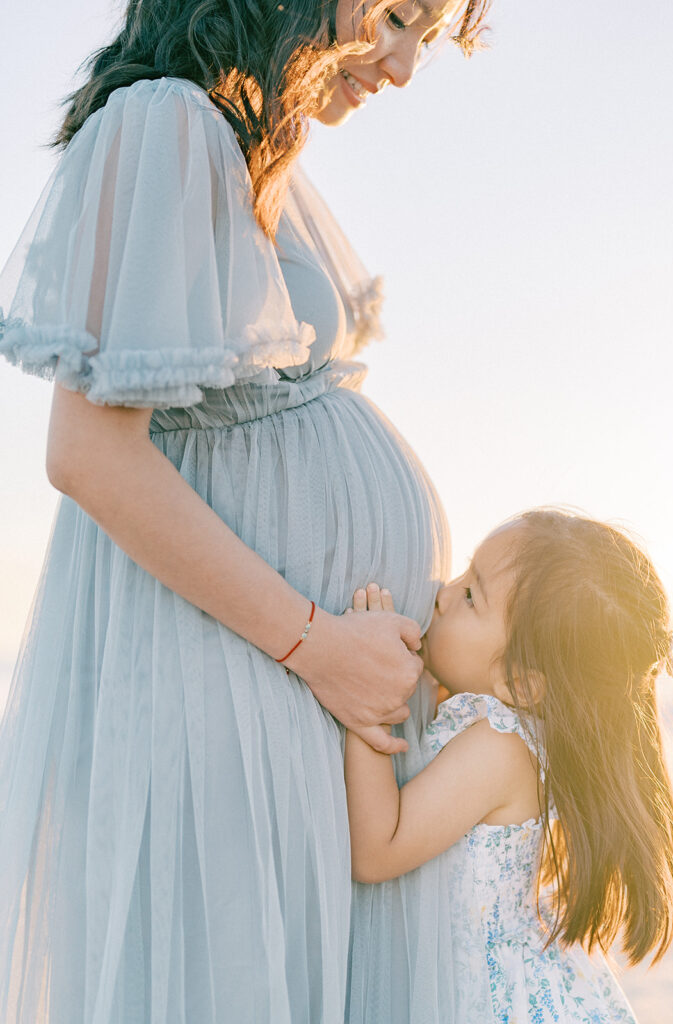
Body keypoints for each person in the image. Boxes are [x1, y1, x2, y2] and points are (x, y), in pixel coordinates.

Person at [0, 1, 490, 1020]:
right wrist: (319, 646)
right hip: (230, 686)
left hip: (283, 696)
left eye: (423, 42)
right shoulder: (165, 123)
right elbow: (88, 454)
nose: (400, 67)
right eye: (396, 17)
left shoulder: (254, 153)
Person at [344, 508, 673, 1023]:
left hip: (484, 998)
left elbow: (378, 851)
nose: (443, 593)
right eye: (466, 571)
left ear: (522, 683)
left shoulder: (499, 746)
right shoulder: (505, 725)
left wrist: (368, 695)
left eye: (471, 596)